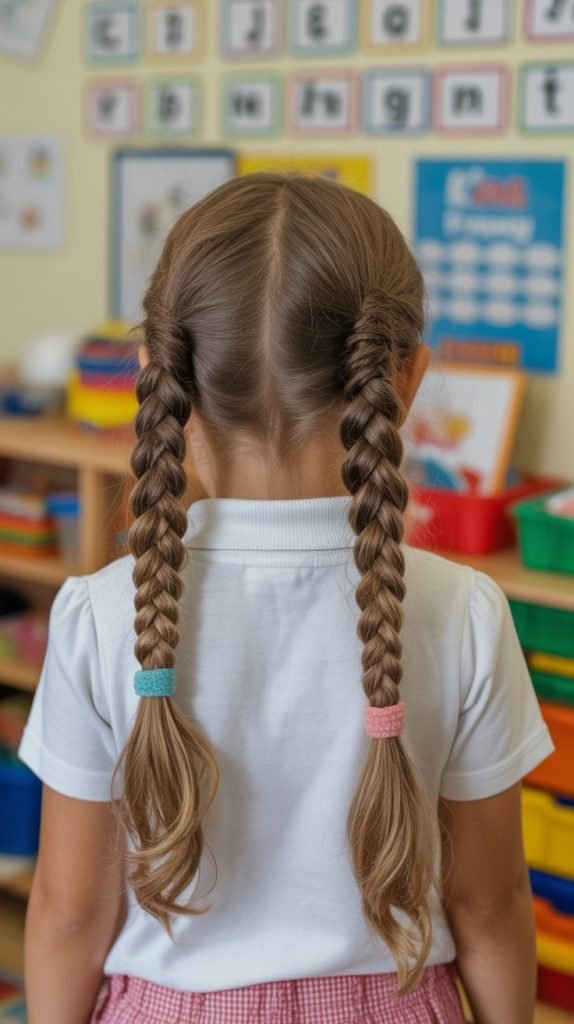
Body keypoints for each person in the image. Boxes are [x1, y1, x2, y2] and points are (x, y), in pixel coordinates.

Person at [18, 174, 553, 1024]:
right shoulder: (467, 612)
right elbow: (489, 908)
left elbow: (68, 915)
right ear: (407, 381)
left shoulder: (97, 614)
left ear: (158, 379)